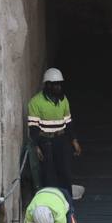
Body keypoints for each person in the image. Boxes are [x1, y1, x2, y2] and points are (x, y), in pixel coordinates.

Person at [27, 68, 81, 196]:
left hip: (61, 140)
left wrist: (74, 141)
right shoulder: (35, 102)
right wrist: (36, 147)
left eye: (59, 84)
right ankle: (51, 200)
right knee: (48, 174)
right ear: (48, 85)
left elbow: (68, 123)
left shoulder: (63, 100)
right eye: (55, 84)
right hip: (45, 142)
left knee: (65, 172)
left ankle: (67, 202)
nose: (58, 87)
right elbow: (33, 128)